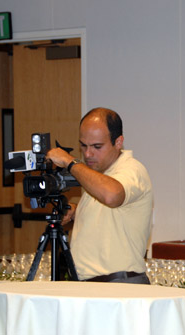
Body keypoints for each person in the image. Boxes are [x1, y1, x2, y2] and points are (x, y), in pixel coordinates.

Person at [46, 107, 153, 284]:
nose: (88, 154)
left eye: (97, 147)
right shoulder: (98, 173)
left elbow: (111, 196)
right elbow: (109, 211)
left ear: (118, 142)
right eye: (83, 145)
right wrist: (77, 211)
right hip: (92, 285)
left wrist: (70, 162)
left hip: (118, 285)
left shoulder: (132, 170)